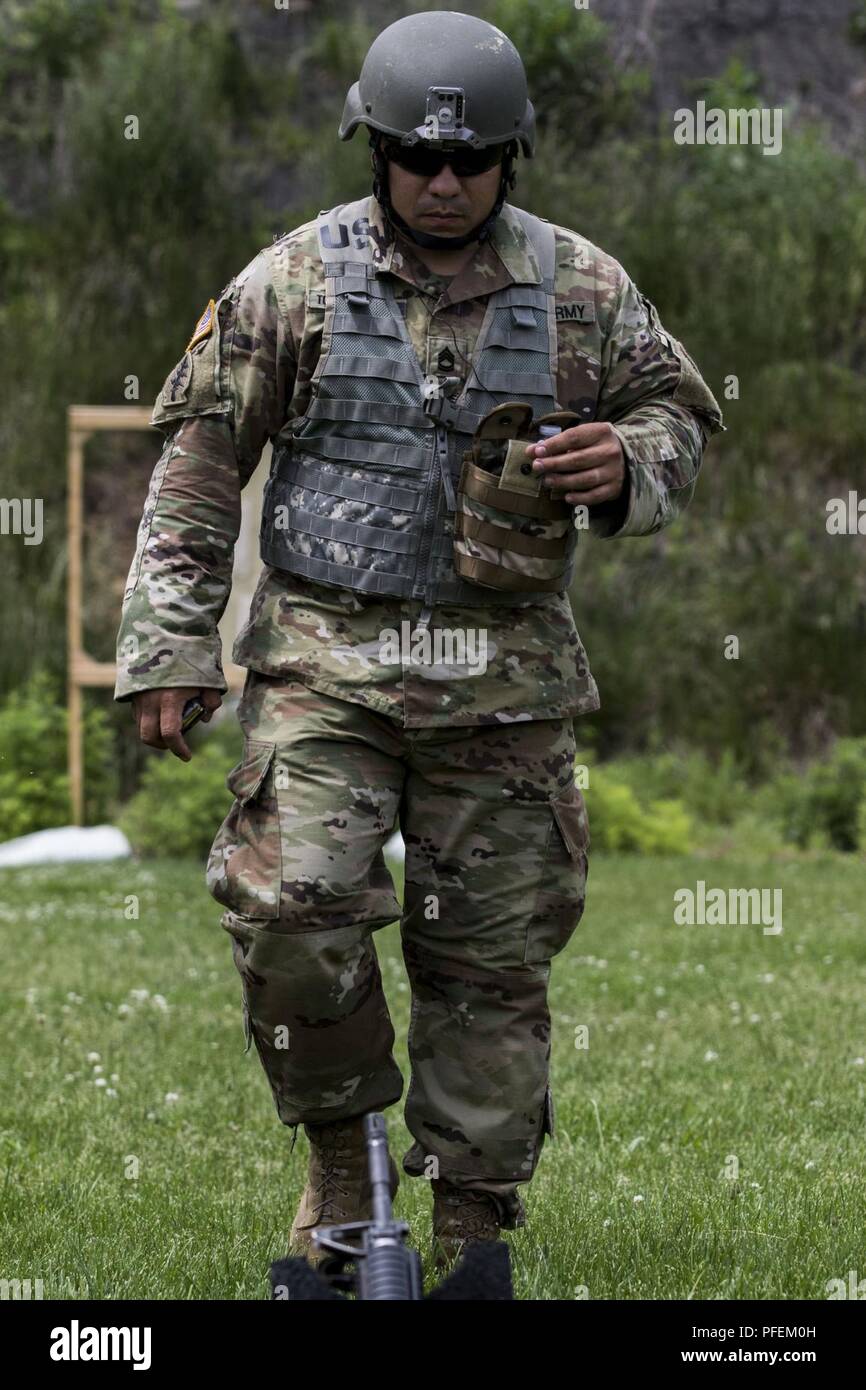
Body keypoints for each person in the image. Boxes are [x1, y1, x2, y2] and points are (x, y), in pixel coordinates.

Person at [115, 9, 724, 1271]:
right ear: (373, 147)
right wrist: (170, 646)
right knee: (292, 907)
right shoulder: (290, 280)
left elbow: (679, 412)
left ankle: (471, 1218)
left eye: (472, 161)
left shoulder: (582, 287)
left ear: (512, 156)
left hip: (504, 686)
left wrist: (628, 462)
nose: (443, 184)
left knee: (489, 959)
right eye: (415, 158)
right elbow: (200, 460)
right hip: (324, 668)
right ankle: (340, 1156)